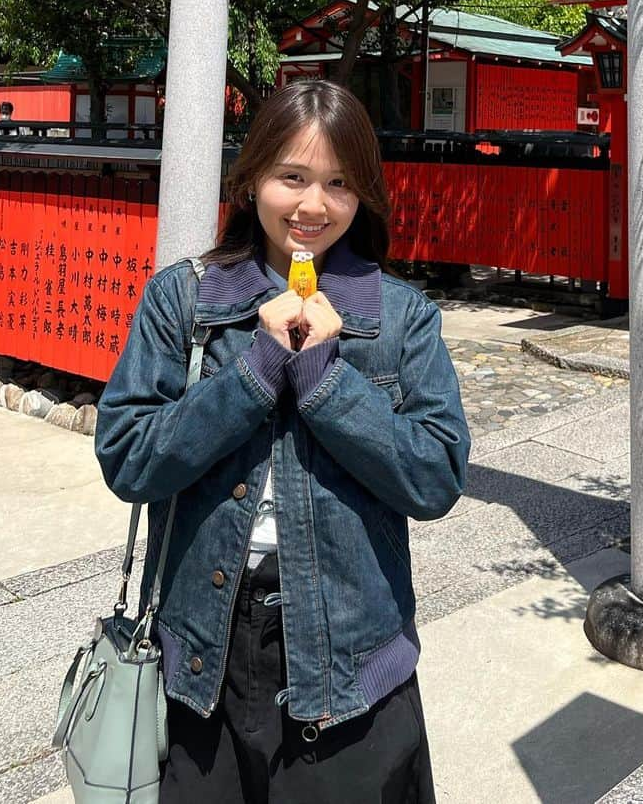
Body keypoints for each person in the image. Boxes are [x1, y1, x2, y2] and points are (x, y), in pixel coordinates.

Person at [96, 80, 470, 804]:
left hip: (353, 662)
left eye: (339, 182)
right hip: (203, 657)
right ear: (251, 178)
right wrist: (255, 371)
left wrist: (327, 381)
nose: (313, 205)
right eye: (291, 177)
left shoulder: (400, 318)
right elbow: (127, 455)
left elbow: (436, 475)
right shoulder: (186, 300)